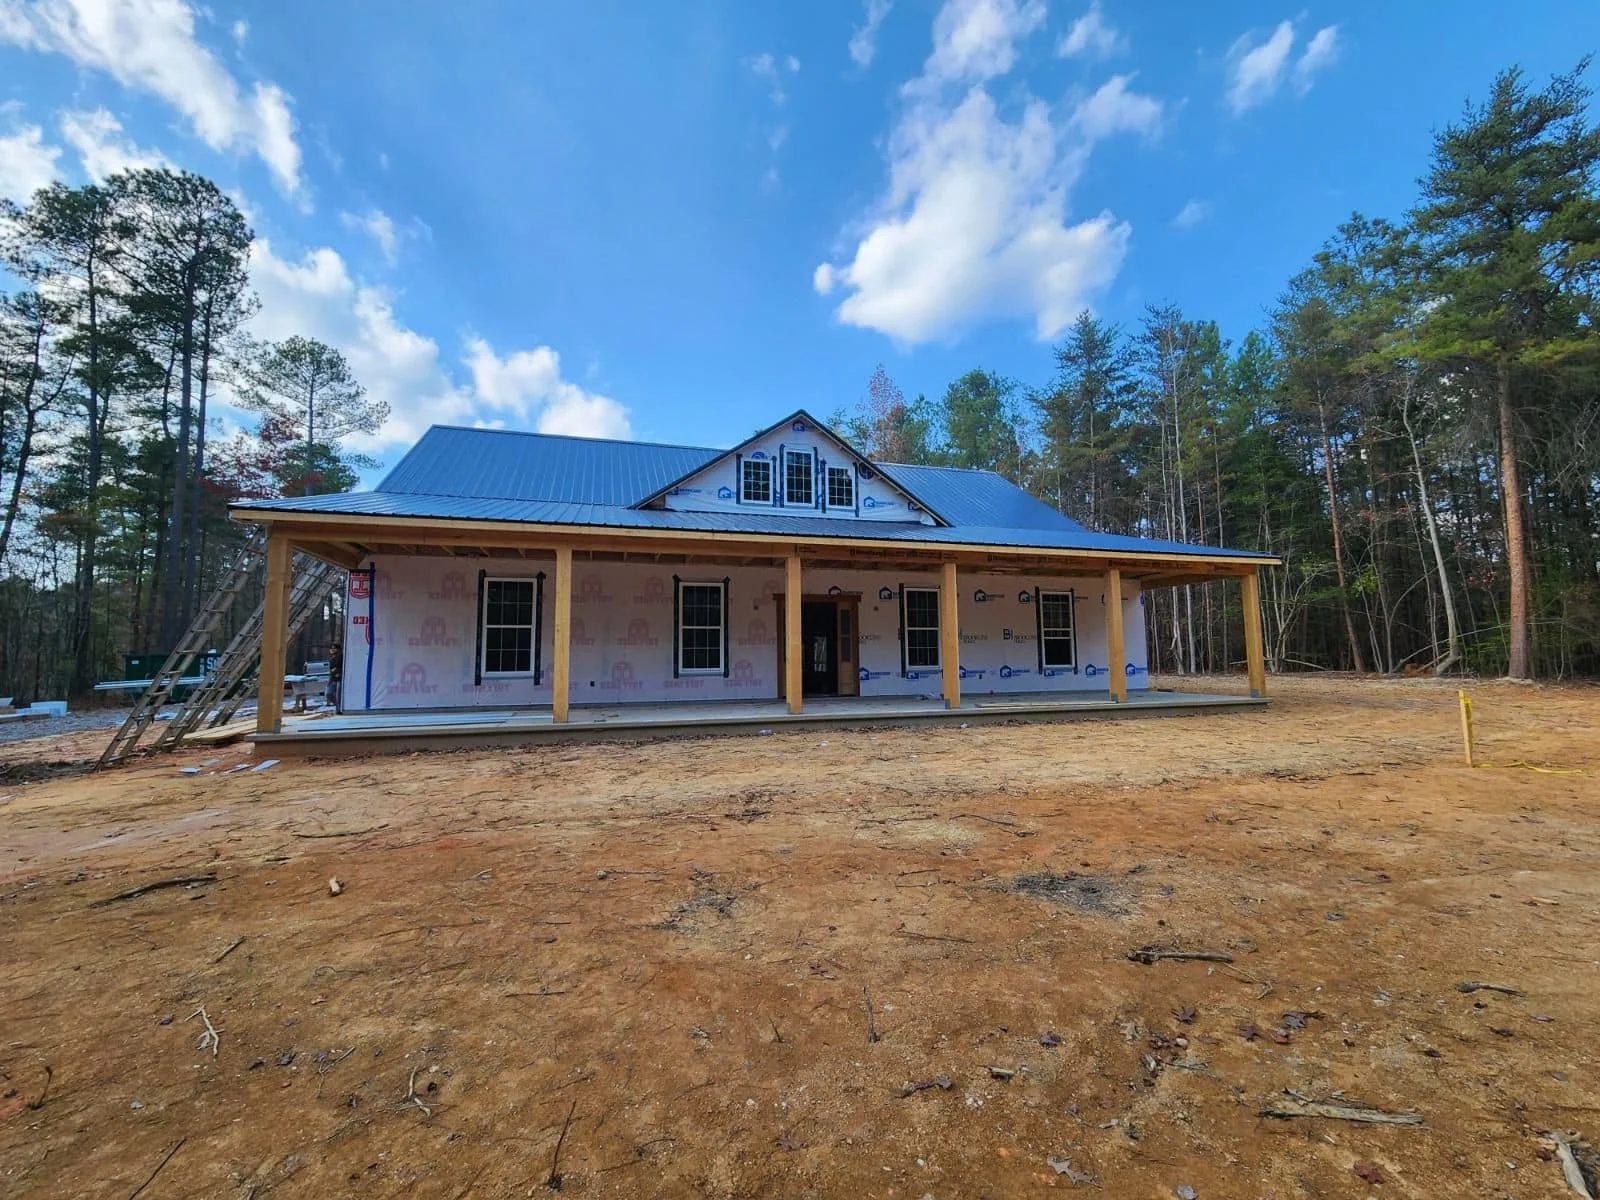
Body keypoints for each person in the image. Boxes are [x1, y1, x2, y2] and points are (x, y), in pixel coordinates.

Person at [327, 641, 343, 711]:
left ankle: (339, 709)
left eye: (334, 648)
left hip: (340, 677)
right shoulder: (331, 659)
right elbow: (331, 670)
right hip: (333, 678)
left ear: (338, 649)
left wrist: (337, 671)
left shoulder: (342, 657)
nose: (332, 650)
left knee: (339, 694)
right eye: (331, 648)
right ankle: (338, 706)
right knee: (328, 693)